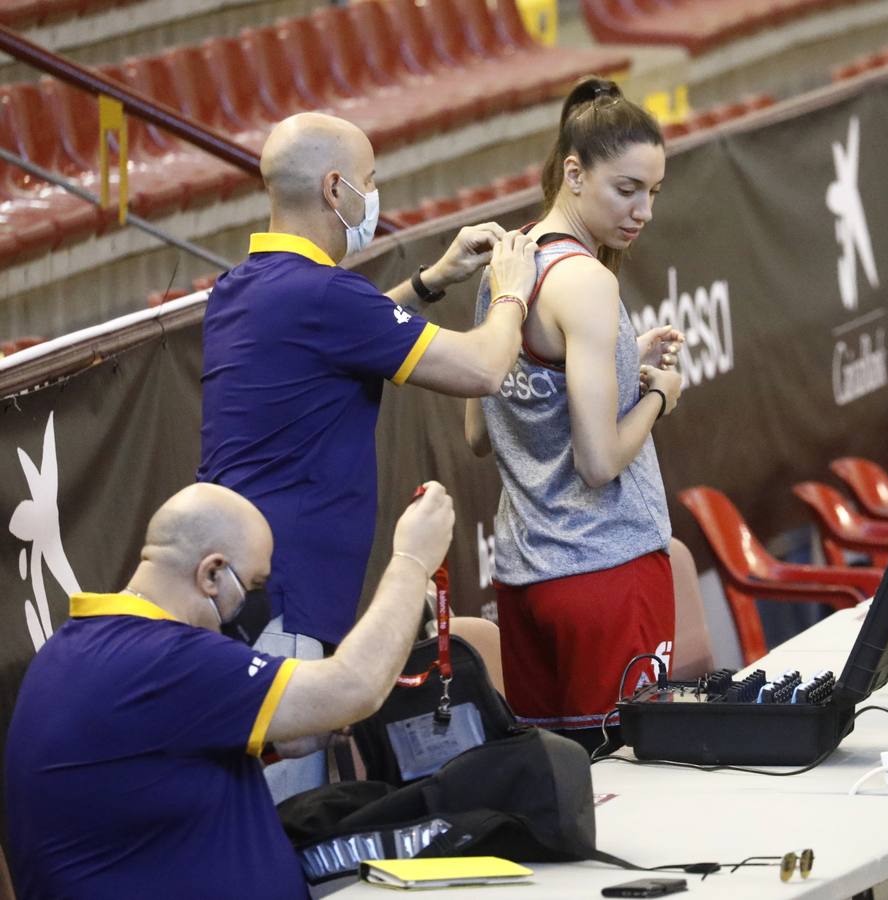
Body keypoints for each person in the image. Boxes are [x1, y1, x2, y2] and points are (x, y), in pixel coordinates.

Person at [198, 112, 536, 798]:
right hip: (285, 602)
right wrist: (510, 290)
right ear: (335, 190)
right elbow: (483, 370)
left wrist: (431, 280)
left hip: (247, 599)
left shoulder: (245, 286)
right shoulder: (322, 295)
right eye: (371, 180)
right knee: (294, 821)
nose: (373, 196)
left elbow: (346, 332)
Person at [4, 481, 458, 899]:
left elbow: (147, 772)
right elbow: (354, 685)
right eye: (256, 584)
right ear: (212, 574)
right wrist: (412, 560)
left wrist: (275, 746)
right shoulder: (162, 657)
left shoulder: (84, 648)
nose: (255, 602)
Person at [464, 77, 683, 751]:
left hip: (526, 582)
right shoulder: (588, 281)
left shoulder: (507, 264)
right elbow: (596, 462)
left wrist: (621, 360)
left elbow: (481, 432)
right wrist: (657, 396)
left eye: (653, 192)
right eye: (626, 189)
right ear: (574, 172)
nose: (642, 210)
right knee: (633, 792)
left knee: (563, 793)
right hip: (606, 575)